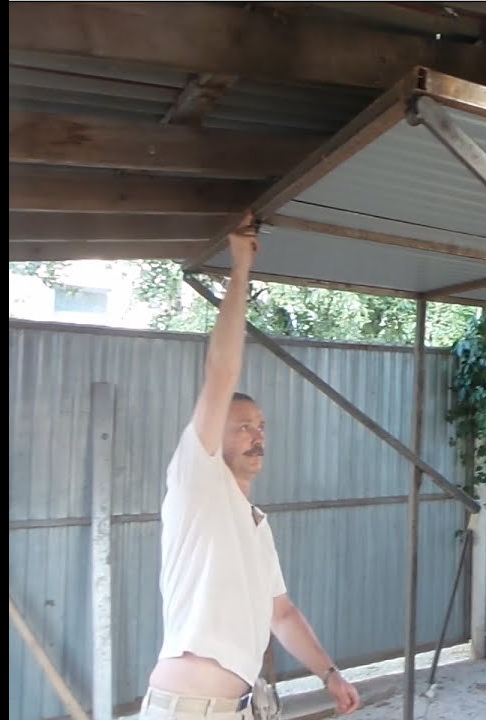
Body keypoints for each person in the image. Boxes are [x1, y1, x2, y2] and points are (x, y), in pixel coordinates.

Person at [140, 213, 362, 719]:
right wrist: (241, 266)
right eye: (242, 426)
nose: (257, 435)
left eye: (261, 426)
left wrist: (330, 674)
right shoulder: (197, 482)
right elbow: (222, 370)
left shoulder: (255, 524)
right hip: (187, 710)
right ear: (212, 434)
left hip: (237, 708)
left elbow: (281, 614)